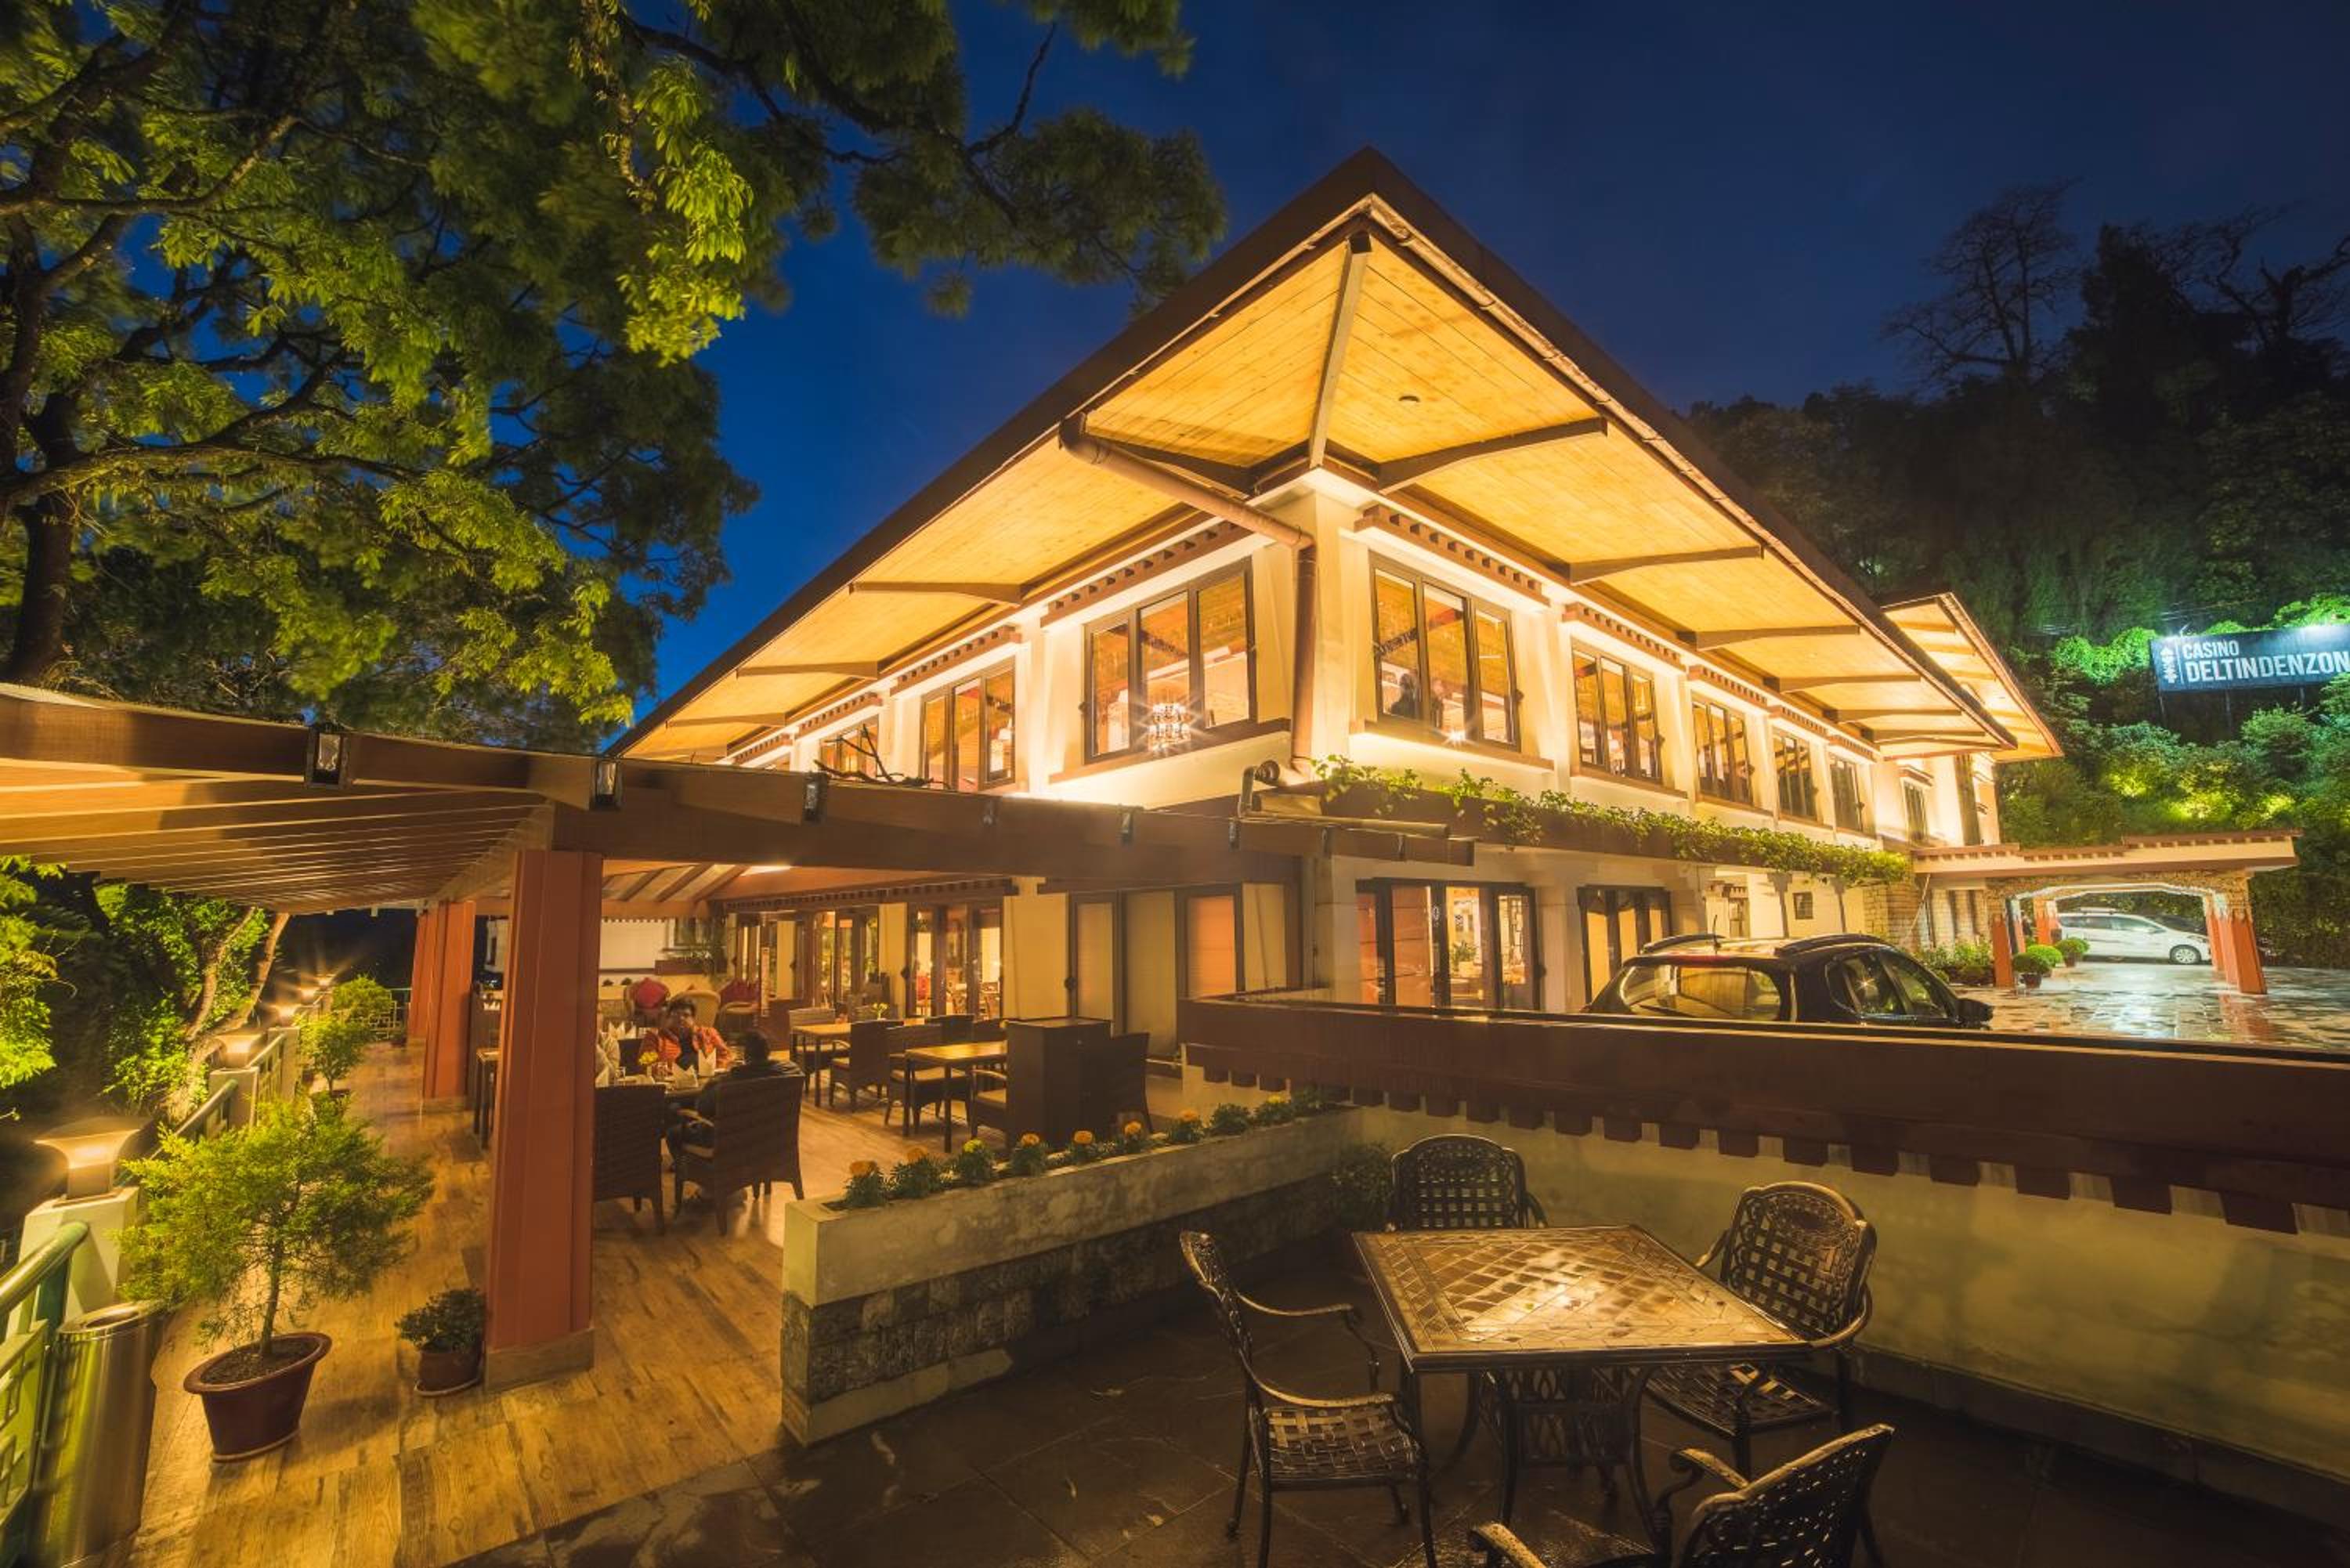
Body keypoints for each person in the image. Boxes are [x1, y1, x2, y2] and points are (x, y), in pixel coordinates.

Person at [668, 1031, 794, 1172]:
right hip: (769, 1139)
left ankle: (704, 1178)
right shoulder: (787, 1074)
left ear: (744, 1055)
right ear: (768, 1052)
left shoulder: (730, 1081)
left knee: (674, 1133)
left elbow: (702, 1108)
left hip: (729, 1141)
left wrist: (713, 1082)